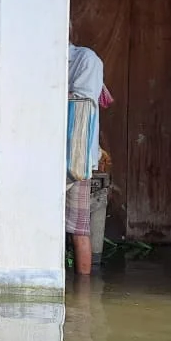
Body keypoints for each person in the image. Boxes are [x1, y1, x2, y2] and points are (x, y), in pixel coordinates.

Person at [67, 42, 105, 276]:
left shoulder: (87, 59)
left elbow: (80, 101)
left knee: (78, 229)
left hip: (76, 157)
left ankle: (83, 300)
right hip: (43, 156)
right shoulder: (39, 59)